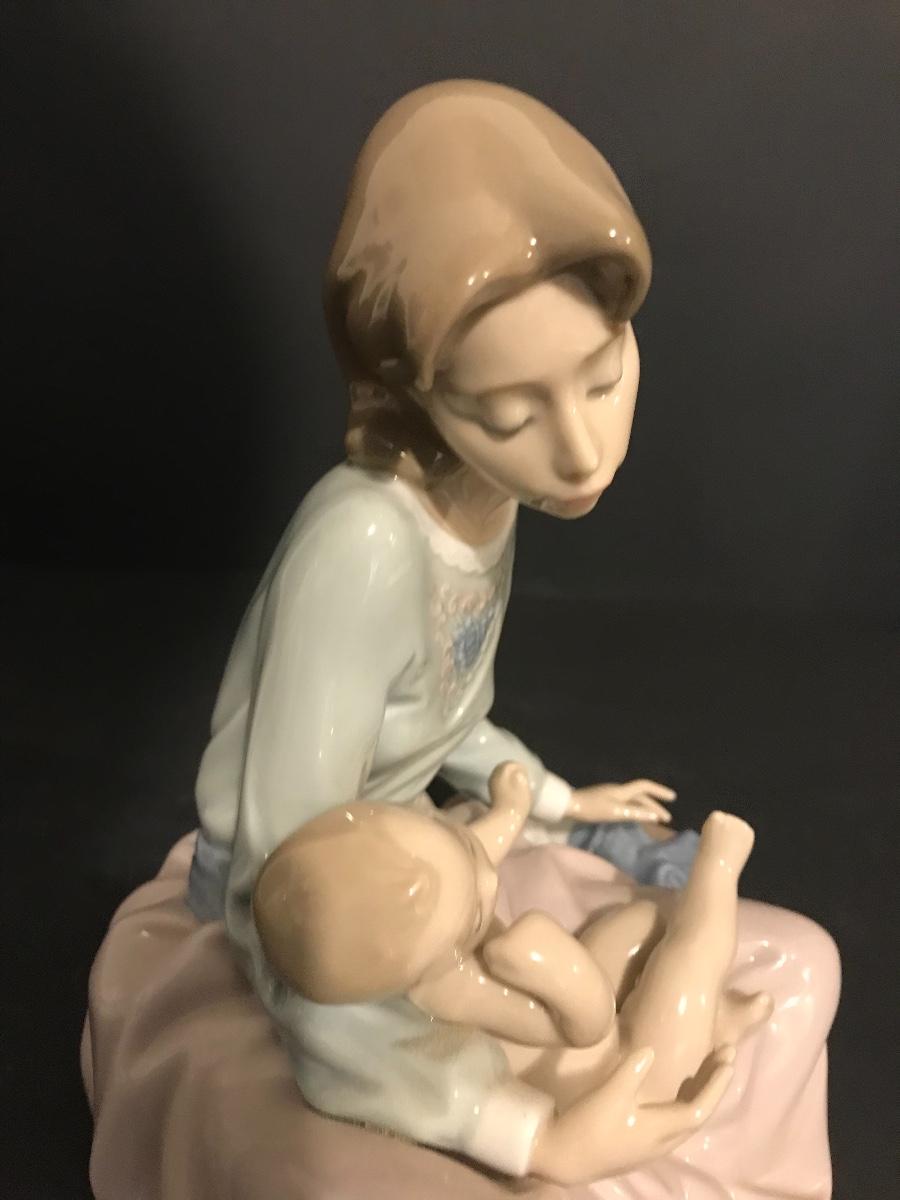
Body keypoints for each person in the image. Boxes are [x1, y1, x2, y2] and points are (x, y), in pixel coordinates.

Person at [84, 80, 838, 1194]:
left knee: (795, 966)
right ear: (412, 391)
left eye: (604, 376)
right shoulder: (364, 547)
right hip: (350, 927)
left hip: (445, 864)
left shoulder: (487, 496)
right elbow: (297, 891)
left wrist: (556, 799)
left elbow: (443, 712)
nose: (581, 451)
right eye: (512, 413)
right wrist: (525, 1132)